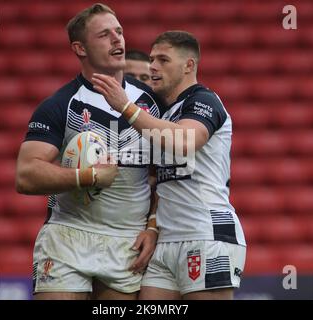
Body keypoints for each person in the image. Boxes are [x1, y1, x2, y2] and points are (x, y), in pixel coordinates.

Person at [15, 3, 162, 300]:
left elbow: (168, 173)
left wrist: (154, 226)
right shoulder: (60, 104)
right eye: (104, 35)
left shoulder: (153, 103)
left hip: (127, 241)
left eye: (119, 31)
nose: (117, 39)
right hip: (68, 236)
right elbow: (26, 175)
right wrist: (89, 176)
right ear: (80, 48)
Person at [91, 30, 246, 300]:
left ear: (189, 65)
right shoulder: (165, 111)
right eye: (151, 59)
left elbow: (185, 141)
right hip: (166, 239)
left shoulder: (204, 100)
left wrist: (126, 108)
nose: (152, 67)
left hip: (205, 234)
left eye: (163, 60)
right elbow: (160, 181)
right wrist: (152, 226)